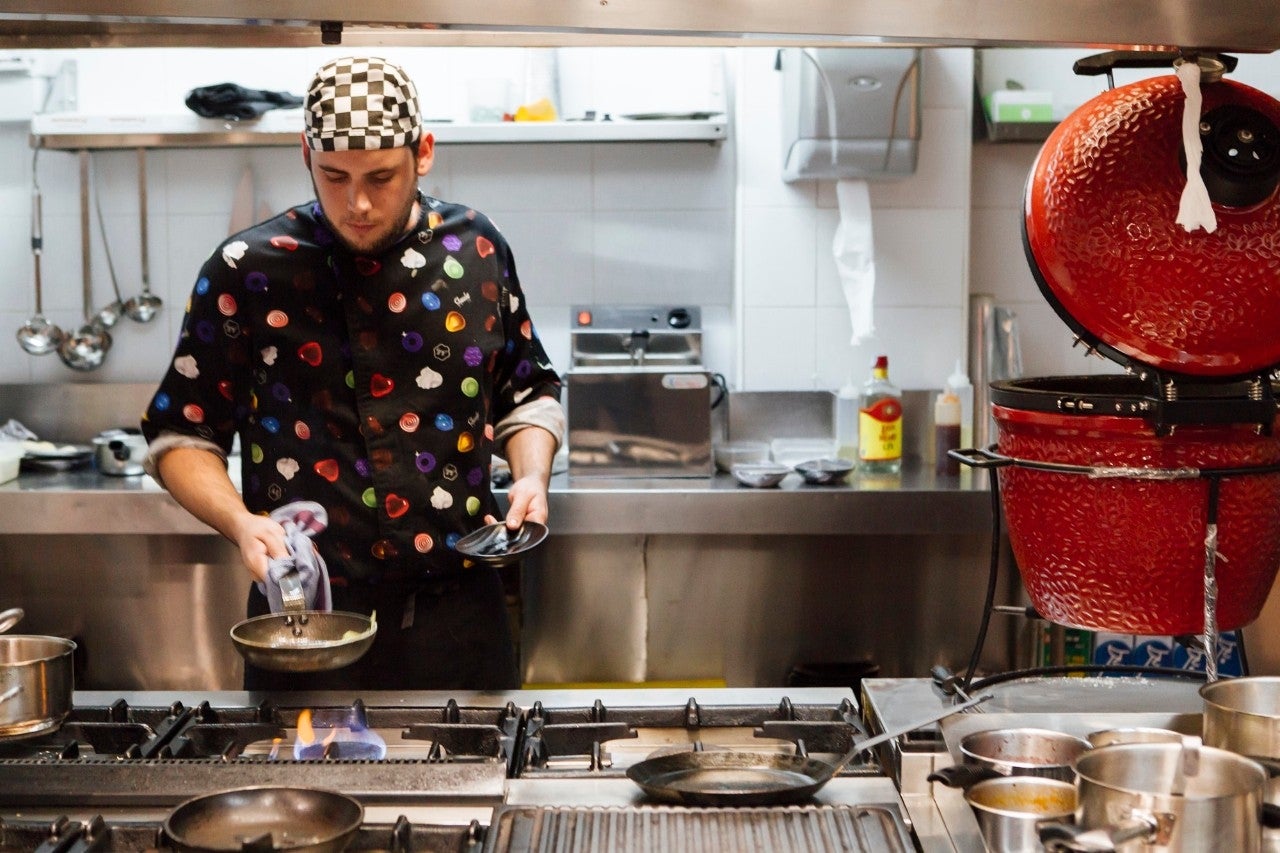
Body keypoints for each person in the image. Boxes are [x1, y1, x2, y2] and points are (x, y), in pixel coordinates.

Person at [141, 56, 564, 691]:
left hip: (459, 614)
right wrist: (240, 522)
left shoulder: (476, 249)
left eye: (381, 177)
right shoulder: (246, 269)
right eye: (333, 176)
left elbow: (527, 392)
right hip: (308, 620)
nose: (357, 203)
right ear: (304, 152)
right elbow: (182, 435)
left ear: (423, 152)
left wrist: (532, 473)